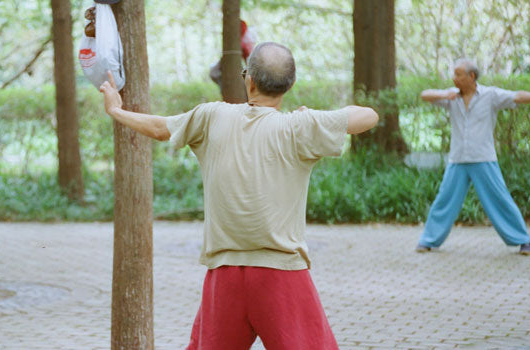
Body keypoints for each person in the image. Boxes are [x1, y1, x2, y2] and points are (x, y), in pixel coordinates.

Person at [100, 42, 378, 349]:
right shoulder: (300, 127)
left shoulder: (211, 116)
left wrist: (116, 110)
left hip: (225, 275)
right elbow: (368, 116)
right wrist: (313, 115)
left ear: (250, 80)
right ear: (291, 84)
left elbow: (158, 128)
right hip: (281, 275)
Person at [415, 58, 530, 256]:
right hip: (458, 160)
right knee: (444, 200)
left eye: (458, 74)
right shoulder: (451, 96)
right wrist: (445, 94)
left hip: (483, 159)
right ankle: (428, 240)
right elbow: (424, 95)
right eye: (454, 74)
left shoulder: (490, 95)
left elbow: (516, 97)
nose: (454, 78)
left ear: (471, 76)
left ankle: (523, 241)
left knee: (500, 200)